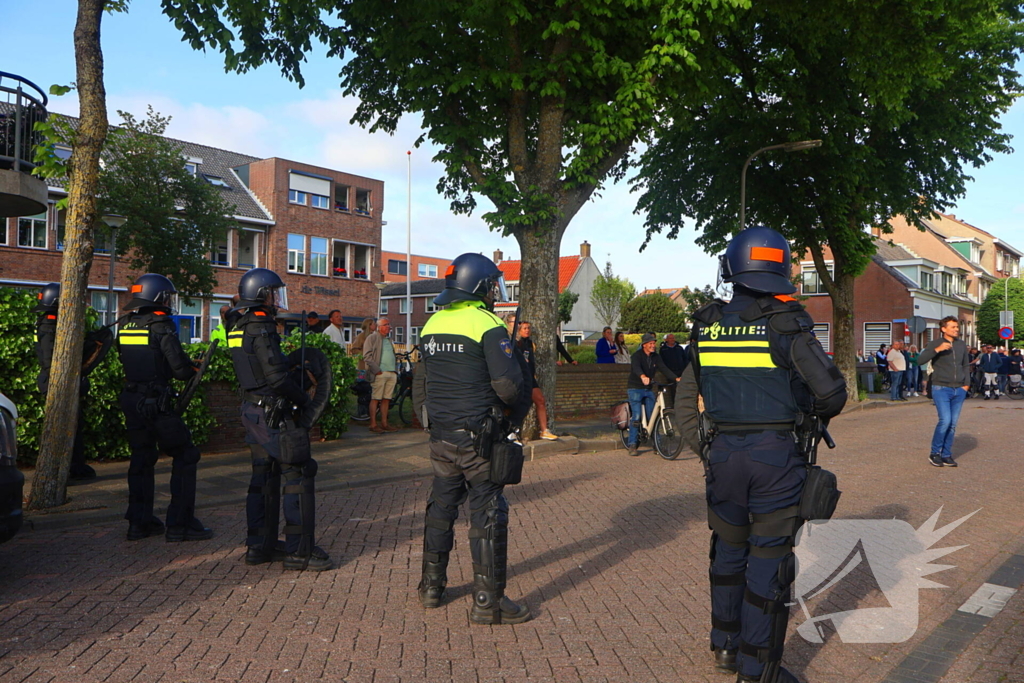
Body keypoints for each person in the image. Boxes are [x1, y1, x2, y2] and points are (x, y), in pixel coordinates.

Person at [676, 226, 847, 683]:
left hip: (723, 457)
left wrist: (704, 448)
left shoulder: (705, 324)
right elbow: (832, 394)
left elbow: (686, 396)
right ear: (780, 268)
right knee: (769, 562)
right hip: (774, 457)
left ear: (732, 267)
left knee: (728, 553)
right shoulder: (786, 323)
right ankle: (759, 671)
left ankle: (726, 648)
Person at [411, 252, 531, 624]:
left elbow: (421, 382)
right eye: (492, 284)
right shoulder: (487, 324)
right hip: (479, 438)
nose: (495, 292)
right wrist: (513, 415)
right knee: (488, 511)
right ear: (479, 286)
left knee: (441, 508)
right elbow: (508, 386)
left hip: (441, 436)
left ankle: (431, 586)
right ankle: (487, 601)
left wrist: (428, 420)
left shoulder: (431, 324)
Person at [228, 267, 333, 571]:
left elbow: (257, 366)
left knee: (262, 478)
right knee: (297, 474)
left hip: (251, 411)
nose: (276, 299)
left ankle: (259, 547)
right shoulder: (261, 326)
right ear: (262, 294)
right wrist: (303, 399)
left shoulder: (237, 324)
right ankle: (300, 552)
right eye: (273, 293)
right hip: (273, 413)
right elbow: (275, 376)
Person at [116, 273, 213, 542]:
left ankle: (139, 522)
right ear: (159, 297)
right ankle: (180, 524)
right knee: (186, 455)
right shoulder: (162, 325)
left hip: (132, 400)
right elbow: (179, 370)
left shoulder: (125, 324)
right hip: (157, 403)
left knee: (141, 459)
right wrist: (191, 367)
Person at [34, 283, 98, 481]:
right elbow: (53, 360)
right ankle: (72, 469)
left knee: (72, 426)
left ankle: (74, 467)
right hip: (58, 384)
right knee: (69, 428)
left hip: (52, 382)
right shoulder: (50, 325)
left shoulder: (45, 322)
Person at [917, 317, 972, 467]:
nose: (956, 329)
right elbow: (920, 360)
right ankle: (935, 453)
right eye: (953, 327)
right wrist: (937, 350)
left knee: (953, 424)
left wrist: (966, 384)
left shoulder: (961, 345)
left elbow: (965, 365)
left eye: (957, 327)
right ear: (943, 329)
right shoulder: (935, 344)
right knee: (945, 421)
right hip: (941, 387)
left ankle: (946, 454)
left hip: (959, 388)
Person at [625, 333, 679, 456]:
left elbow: (664, 368)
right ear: (644, 345)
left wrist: (676, 379)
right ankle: (632, 444)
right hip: (635, 388)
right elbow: (636, 368)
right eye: (650, 343)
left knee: (653, 417)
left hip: (648, 389)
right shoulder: (637, 356)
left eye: (654, 343)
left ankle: (657, 445)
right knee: (637, 416)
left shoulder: (656, 357)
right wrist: (642, 376)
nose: (653, 345)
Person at [515, 321, 558, 441]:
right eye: (524, 328)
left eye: (528, 328)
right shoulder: (516, 343)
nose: (527, 330)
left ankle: (544, 430)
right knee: (517, 405)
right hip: (519, 377)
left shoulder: (530, 343)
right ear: (518, 330)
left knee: (540, 400)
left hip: (530, 378)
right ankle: (514, 432)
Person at [364, 317, 399, 433]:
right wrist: (376, 370)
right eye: (386, 325)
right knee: (375, 398)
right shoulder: (372, 338)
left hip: (391, 372)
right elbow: (367, 356)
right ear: (379, 327)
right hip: (380, 373)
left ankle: (384, 423)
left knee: (386, 399)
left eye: (389, 324)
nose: (388, 327)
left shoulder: (388, 339)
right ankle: (373, 424)